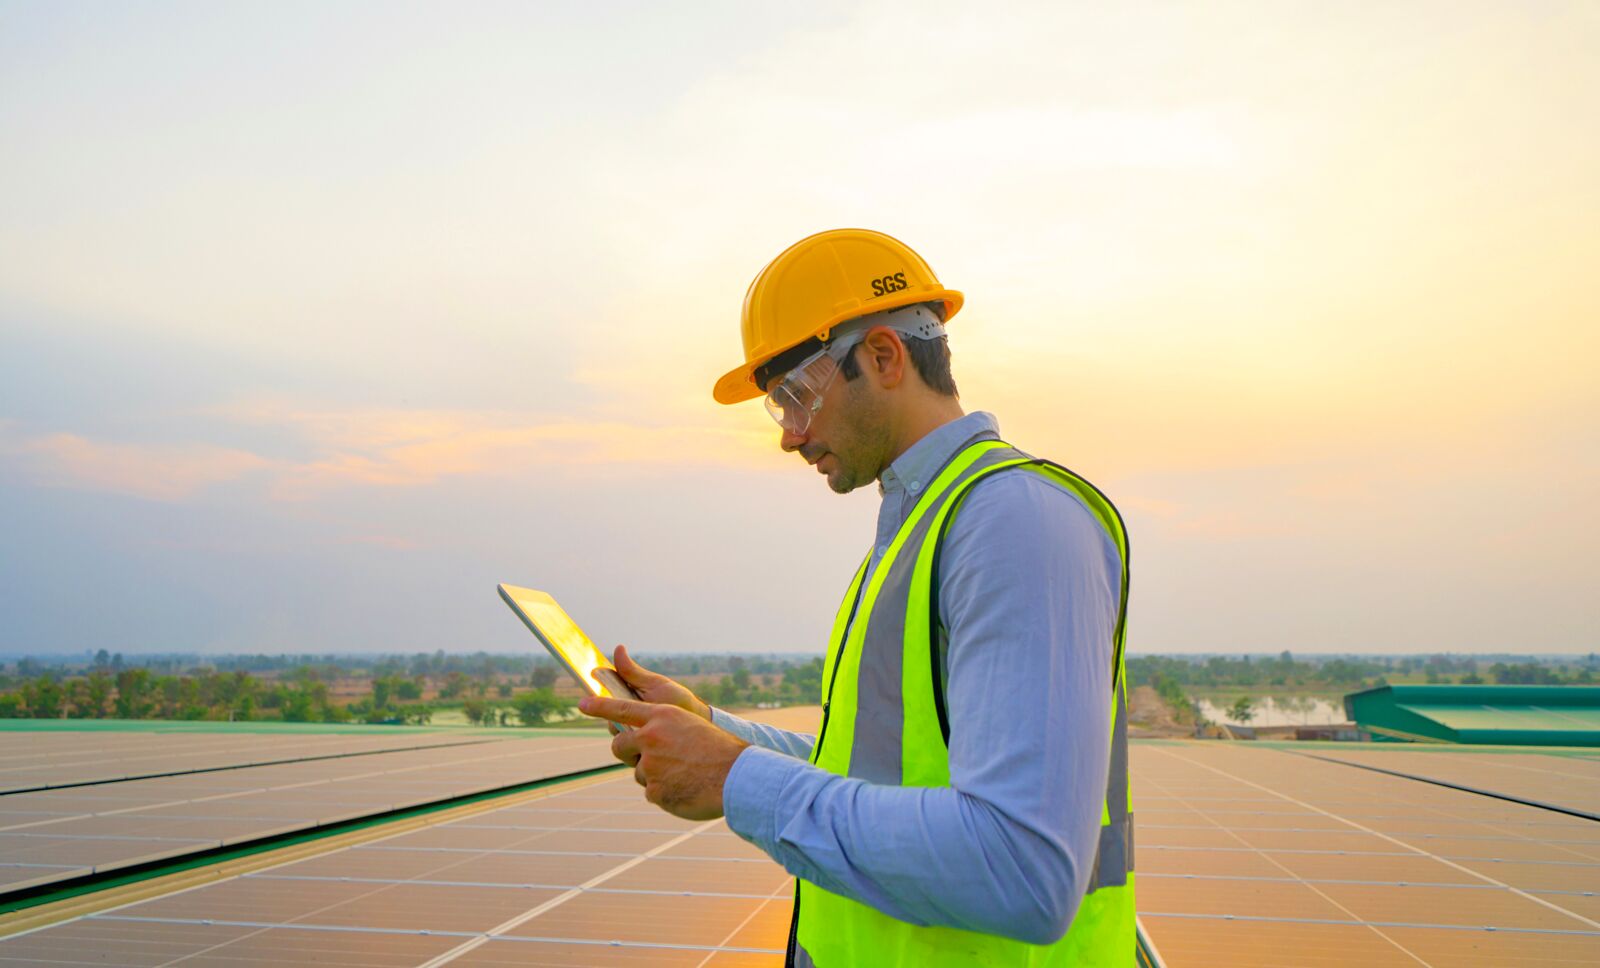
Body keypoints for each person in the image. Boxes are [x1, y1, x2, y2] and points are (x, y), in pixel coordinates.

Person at [579, 228, 1133, 966]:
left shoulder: (1015, 521)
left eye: (795, 395)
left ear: (883, 356)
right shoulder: (918, 534)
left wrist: (734, 777)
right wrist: (712, 731)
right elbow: (871, 774)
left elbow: (1021, 869)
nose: (789, 436)